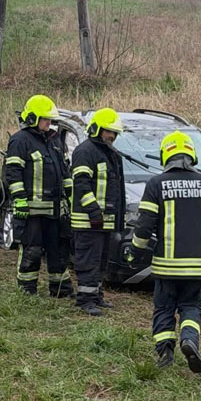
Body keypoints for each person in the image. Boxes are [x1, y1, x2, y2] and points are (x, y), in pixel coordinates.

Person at [127, 130, 201, 371]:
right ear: (192, 155)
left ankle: (165, 354)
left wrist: (135, 252)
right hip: (198, 268)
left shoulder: (156, 184)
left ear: (166, 155)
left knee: (164, 308)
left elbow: (144, 226)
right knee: (192, 307)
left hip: (166, 268)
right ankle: (189, 340)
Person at [4, 95, 74, 298]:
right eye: (45, 119)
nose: (49, 123)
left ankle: (61, 290)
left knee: (59, 250)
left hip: (55, 211)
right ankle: (27, 291)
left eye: (50, 119)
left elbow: (65, 173)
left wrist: (71, 200)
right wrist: (20, 200)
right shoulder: (20, 140)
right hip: (31, 211)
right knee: (32, 251)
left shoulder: (54, 141)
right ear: (33, 118)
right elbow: (13, 172)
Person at [70, 108, 126, 316]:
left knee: (101, 261)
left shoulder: (110, 153)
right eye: (108, 131)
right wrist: (93, 212)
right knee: (88, 261)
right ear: (97, 130)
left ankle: (96, 295)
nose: (112, 136)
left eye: (114, 132)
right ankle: (86, 299)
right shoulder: (85, 152)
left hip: (105, 221)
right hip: (88, 221)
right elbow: (81, 185)